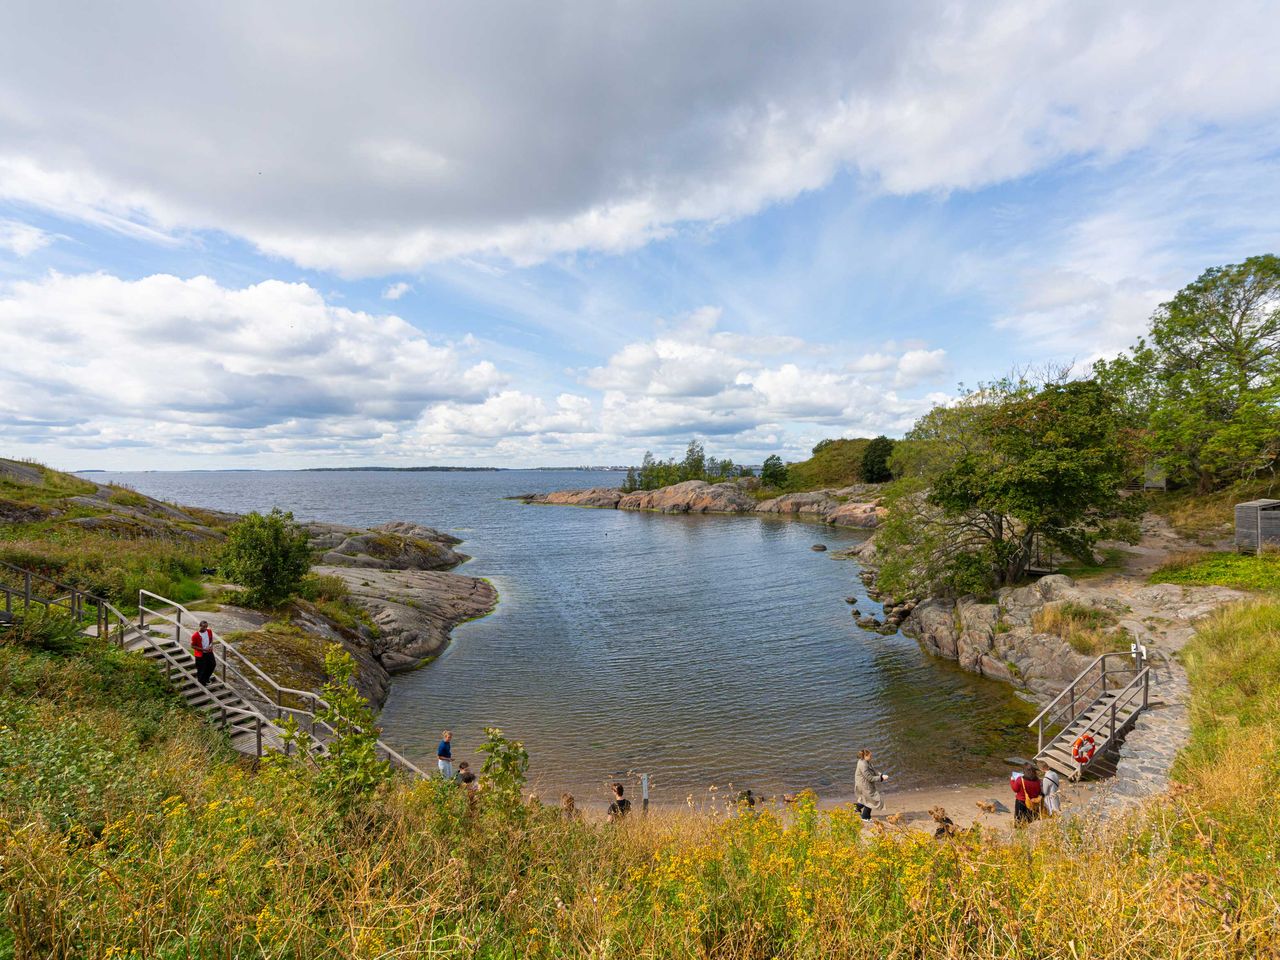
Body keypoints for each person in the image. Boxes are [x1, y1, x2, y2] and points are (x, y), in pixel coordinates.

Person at [854, 748, 889, 822]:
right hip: (864, 785)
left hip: (863, 784)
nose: (871, 757)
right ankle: (865, 817)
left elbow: (873, 770)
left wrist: (881, 775)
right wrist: (881, 778)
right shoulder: (863, 765)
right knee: (871, 800)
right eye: (870, 756)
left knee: (865, 798)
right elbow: (869, 778)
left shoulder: (866, 761)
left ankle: (857, 808)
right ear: (865, 756)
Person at [190, 619, 217, 687]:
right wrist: (203, 649)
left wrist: (211, 646)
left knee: (212, 664)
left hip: (209, 652)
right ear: (200, 626)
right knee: (201, 668)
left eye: (206, 627)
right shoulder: (195, 635)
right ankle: (201, 683)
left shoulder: (209, 631)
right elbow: (192, 646)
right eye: (204, 627)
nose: (205, 628)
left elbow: (211, 639)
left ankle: (206, 678)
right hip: (200, 654)